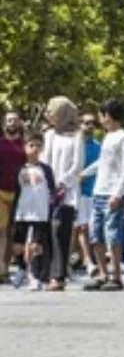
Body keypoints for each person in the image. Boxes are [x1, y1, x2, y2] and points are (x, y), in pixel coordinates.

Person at [81, 100, 124, 292]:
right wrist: (84, 173)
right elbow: (102, 163)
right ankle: (103, 275)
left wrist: (118, 193)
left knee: (112, 236)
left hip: (111, 194)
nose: (100, 120)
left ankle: (117, 276)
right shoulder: (107, 137)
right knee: (96, 235)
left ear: (109, 116)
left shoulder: (123, 138)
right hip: (98, 192)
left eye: (102, 115)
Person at [41, 97, 85, 291]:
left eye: (53, 111)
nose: (49, 115)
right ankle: (47, 272)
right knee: (47, 231)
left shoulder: (77, 136)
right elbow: (45, 160)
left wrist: (62, 183)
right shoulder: (49, 135)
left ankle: (59, 275)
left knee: (61, 231)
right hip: (47, 190)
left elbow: (78, 165)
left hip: (66, 192)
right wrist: (48, 181)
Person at [13, 134, 55, 291]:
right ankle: (22, 268)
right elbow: (16, 192)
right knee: (18, 246)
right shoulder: (20, 170)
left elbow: (52, 190)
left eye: (38, 145)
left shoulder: (45, 169)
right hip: (22, 212)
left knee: (35, 246)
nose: (35, 148)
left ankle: (34, 276)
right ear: (25, 147)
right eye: (31, 145)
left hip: (40, 213)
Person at [74, 113, 102, 277]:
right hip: (77, 192)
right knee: (81, 227)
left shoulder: (98, 146)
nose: (90, 126)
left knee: (91, 228)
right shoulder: (75, 144)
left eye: (93, 123)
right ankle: (87, 260)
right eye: (86, 123)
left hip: (93, 191)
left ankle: (88, 258)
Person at [0, 112, 25, 284]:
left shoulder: (25, 145)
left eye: (15, 120)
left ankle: (6, 268)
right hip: (0, 191)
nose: (12, 123)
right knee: (1, 231)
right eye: (9, 120)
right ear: (4, 124)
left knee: (11, 232)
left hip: (19, 192)